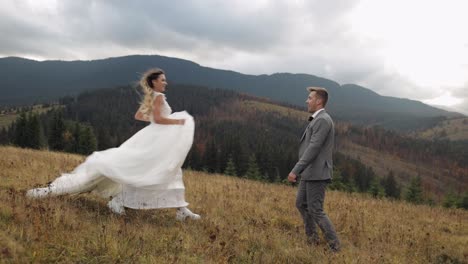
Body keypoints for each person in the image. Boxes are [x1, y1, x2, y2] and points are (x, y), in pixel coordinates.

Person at [27, 68, 200, 221]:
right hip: (156, 141)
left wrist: (156, 121)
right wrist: (177, 123)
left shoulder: (153, 97)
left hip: (154, 138)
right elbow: (160, 119)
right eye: (162, 79)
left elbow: (139, 116)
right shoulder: (159, 97)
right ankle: (120, 201)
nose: (165, 82)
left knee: (171, 172)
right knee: (157, 173)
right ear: (154, 82)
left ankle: (181, 210)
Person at [288, 87, 340, 251]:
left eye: (310, 98)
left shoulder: (323, 120)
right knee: (301, 204)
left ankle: (335, 247)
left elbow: (314, 148)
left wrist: (296, 169)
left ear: (319, 101)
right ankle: (312, 240)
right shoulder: (317, 119)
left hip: (317, 172)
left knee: (316, 210)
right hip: (310, 172)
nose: (306, 100)